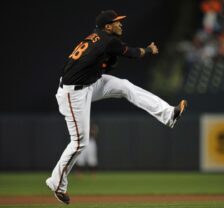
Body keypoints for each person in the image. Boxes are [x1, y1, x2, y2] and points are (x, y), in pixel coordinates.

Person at [45, 10, 187, 205]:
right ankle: (57, 183)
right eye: (117, 22)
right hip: (73, 93)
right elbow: (133, 53)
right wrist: (147, 49)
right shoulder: (107, 40)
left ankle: (169, 114)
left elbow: (96, 64)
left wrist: (104, 66)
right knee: (80, 142)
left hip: (88, 85)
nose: (121, 24)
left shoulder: (98, 38)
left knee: (125, 86)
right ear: (108, 26)